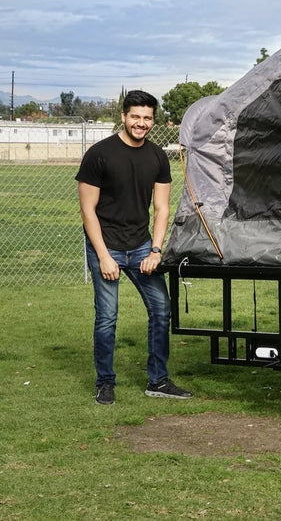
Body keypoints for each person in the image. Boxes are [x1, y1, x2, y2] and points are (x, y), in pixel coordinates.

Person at [76, 90, 192, 405]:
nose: (141, 123)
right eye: (135, 117)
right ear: (124, 116)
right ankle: (105, 382)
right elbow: (88, 211)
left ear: (153, 120)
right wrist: (103, 256)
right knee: (107, 317)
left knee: (160, 309)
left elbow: (162, 207)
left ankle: (158, 380)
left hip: (141, 246)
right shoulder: (99, 154)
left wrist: (156, 250)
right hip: (107, 246)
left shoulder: (156, 157)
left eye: (147, 118)